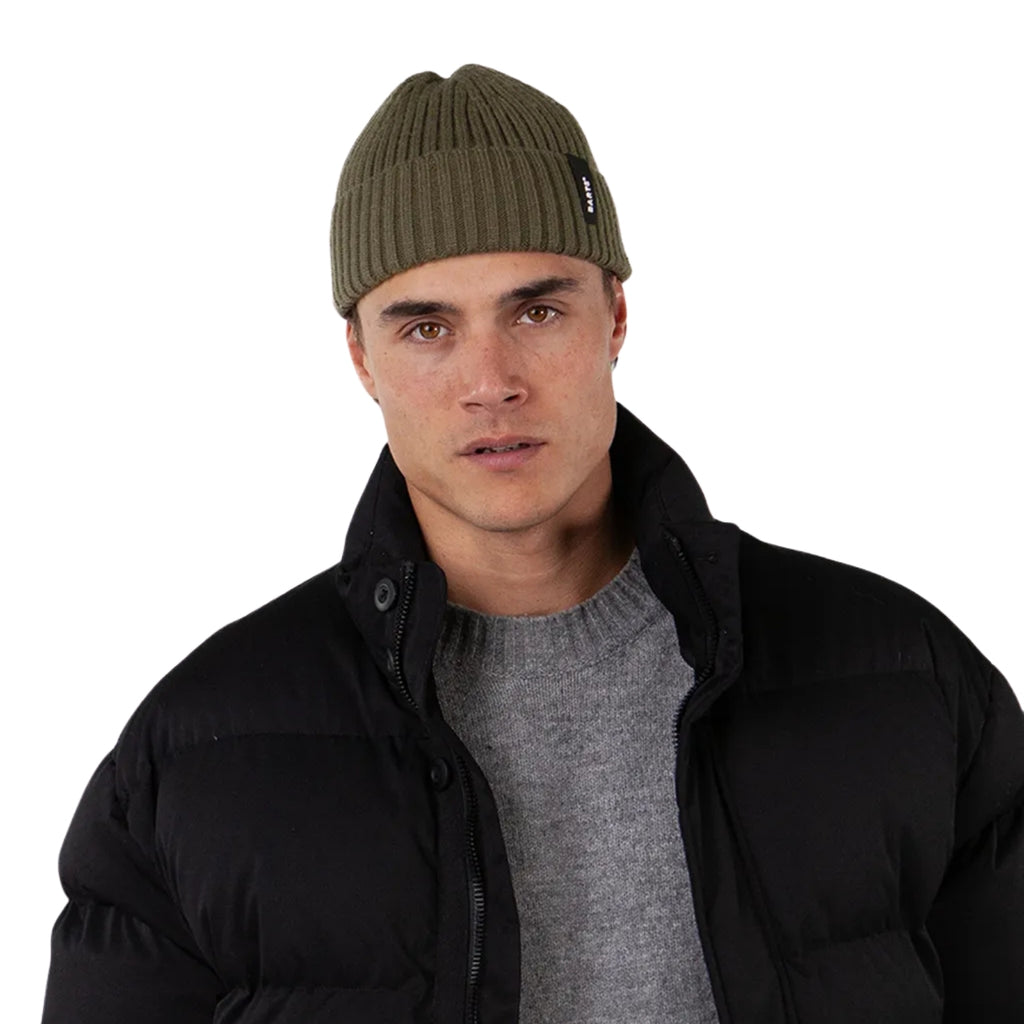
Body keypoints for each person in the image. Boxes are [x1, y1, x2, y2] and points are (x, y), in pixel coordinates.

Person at [42, 64, 1023, 1024]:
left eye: (537, 310)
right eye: (427, 328)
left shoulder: (906, 682)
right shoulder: (198, 755)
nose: (491, 381)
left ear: (616, 317)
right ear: (361, 359)